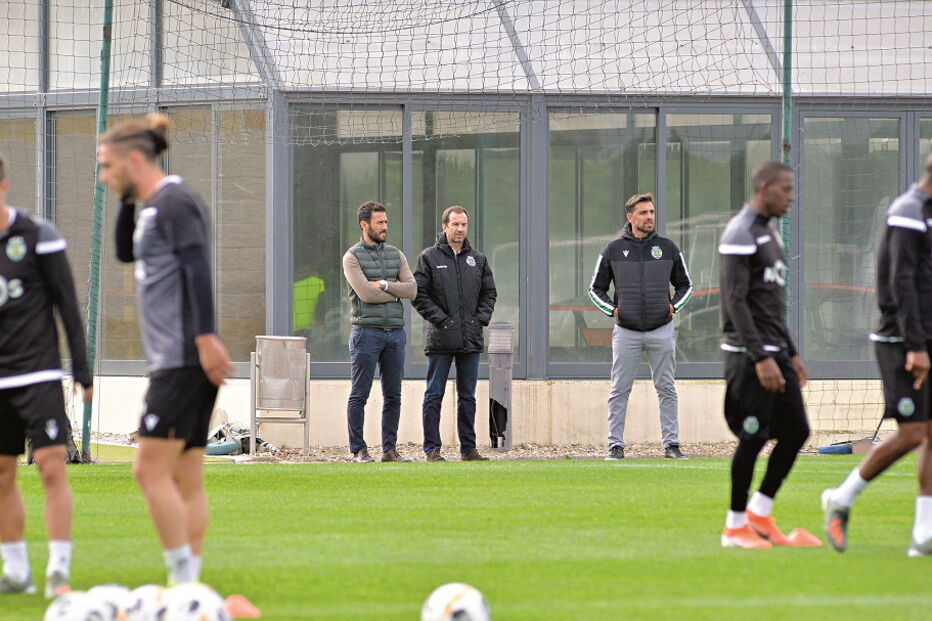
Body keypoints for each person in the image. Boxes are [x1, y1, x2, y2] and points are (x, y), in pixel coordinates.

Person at [98, 114, 232, 584]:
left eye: (107, 165)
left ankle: (181, 583)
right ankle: (190, 584)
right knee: (184, 477)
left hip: (181, 358)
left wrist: (205, 337)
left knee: (147, 469)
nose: (102, 175)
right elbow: (123, 251)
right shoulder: (154, 205)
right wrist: (127, 196)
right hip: (179, 358)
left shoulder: (176, 202)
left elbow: (197, 267)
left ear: (135, 160)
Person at [822, 154, 932, 556]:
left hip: (925, 340)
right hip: (901, 342)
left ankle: (924, 533)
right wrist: (916, 346)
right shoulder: (907, 211)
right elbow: (899, 282)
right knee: (912, 433)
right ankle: (841, 498)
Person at [0, 153, 92, 598]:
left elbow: (66, 305)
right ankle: (16, 571)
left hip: (37, 375)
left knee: (52, 468)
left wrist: (83, 368)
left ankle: (58, 569)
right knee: (3, 477)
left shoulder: (38, 236)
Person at [718, 161, 817, 549]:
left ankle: (760, 515)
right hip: (748, 355)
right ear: (764, 187)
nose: (791, 198)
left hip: (776, 351)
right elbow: (735, 302)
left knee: (797, 431)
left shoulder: (769, 234)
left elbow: (770, 304)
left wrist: (790, 352)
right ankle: (734, 526)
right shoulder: (739, 232)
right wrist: (760, 357)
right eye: (786, 190)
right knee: (754, 435)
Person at [589, 193, 693, 460]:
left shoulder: (668, 248)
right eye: (644, 213)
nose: (650, 217)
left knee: (666, 388)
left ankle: (671, 445)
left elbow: (686, 286)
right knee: (619, 389)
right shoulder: (613, 250)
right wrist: (614, 311)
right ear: (630, 217)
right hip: (626, 332)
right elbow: (595, 289)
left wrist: (672, 307)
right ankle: (615, 446)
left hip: (662, 329)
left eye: (652, 212)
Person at [413, 206, 497, 462]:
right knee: (434, 394)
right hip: (440, 339)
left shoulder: (478, 259)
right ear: (445, 227)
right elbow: (419, 295)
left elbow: (489, 294)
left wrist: (479, 320)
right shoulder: (428, 257)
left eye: (464, 225)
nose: (460, 229)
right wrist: (442, 320)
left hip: (470, 340)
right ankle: (432, 449)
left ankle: (468, 450)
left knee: (468, 396)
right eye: (455, 225)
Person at [342, 201, 417, 463]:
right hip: (366, 333)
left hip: (395, 333)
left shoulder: (397, 255)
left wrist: (384, 284)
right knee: (359, 393)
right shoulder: (351, 257)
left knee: (393, 395)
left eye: (386, 222)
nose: (385, 227)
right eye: (380, 223)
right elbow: (365, 293)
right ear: (365, 225)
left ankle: (389, 450)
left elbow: (412, 290)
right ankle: (359, 450)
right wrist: (394, 290)